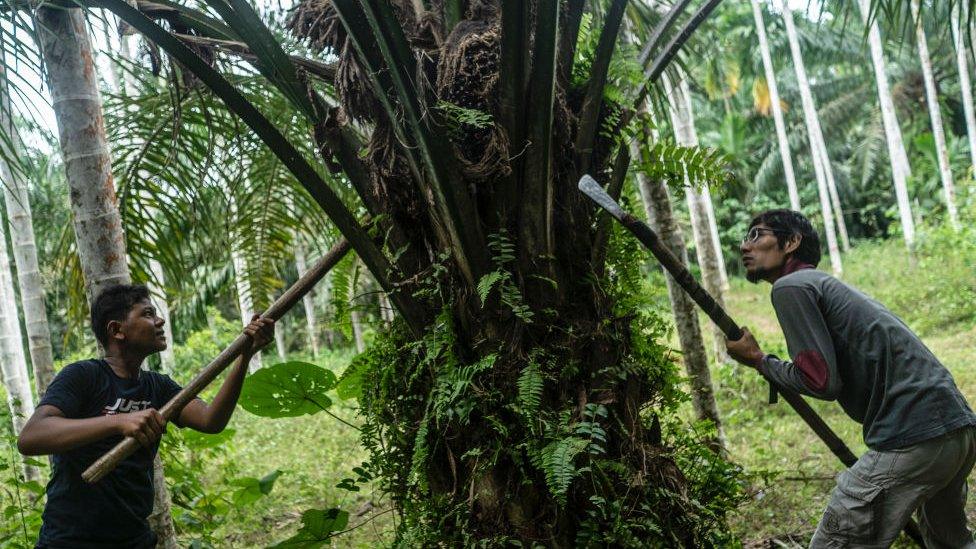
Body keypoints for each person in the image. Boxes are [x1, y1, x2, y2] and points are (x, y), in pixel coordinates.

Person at [725, 209, 976, 548]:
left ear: (791, 243)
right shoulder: (824, 284)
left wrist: (759, 360)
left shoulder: (791, 286)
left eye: (757, 234)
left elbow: (820, 381)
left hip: (914, 434)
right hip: (957, 428)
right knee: (952, 543)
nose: (745, 246)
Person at [17, 284, 274, 548]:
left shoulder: (158, 386)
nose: (160, 320)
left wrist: (245, 356)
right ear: (117, 330)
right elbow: (31, 437)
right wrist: (118, 422)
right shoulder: (84, 376)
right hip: (70, 540)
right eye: (148, 314)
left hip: (133, 539)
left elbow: (210, 421)